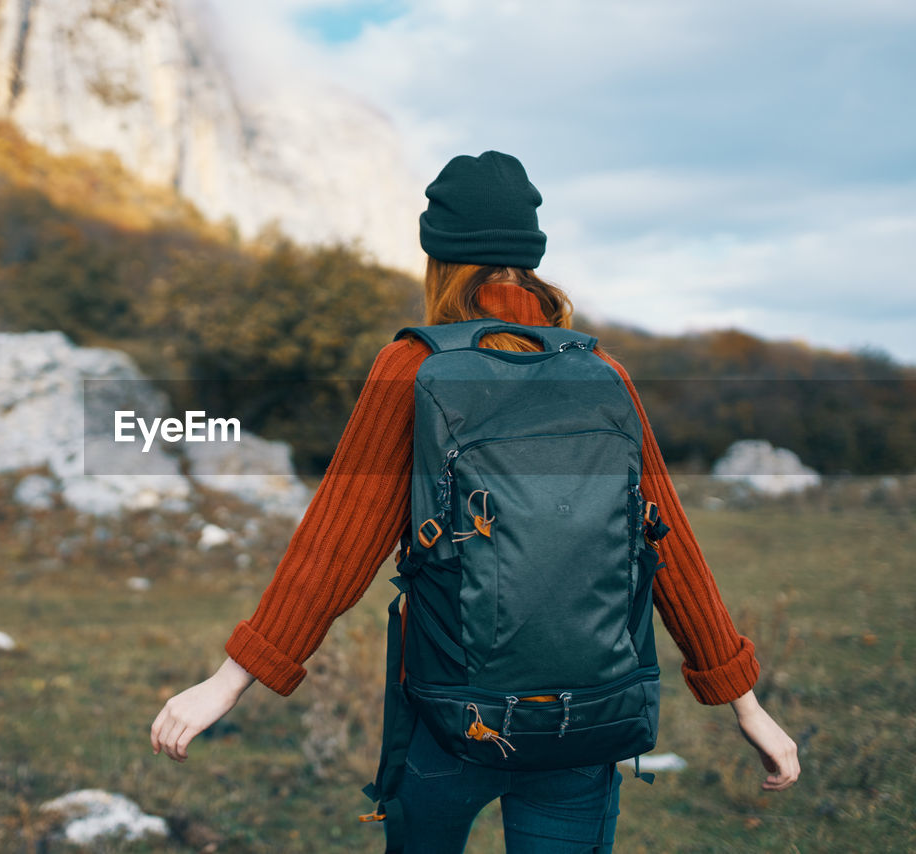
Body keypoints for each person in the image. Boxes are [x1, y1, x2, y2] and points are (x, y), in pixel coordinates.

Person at [150, 151, 800, 852]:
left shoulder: (415, 367)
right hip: (587, 718)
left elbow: (333, 549)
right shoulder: (602, 371)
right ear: (530, 255)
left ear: (439, 257)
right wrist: (745, 703)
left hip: (451, 719)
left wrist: (229, 681)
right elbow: (665, 544)